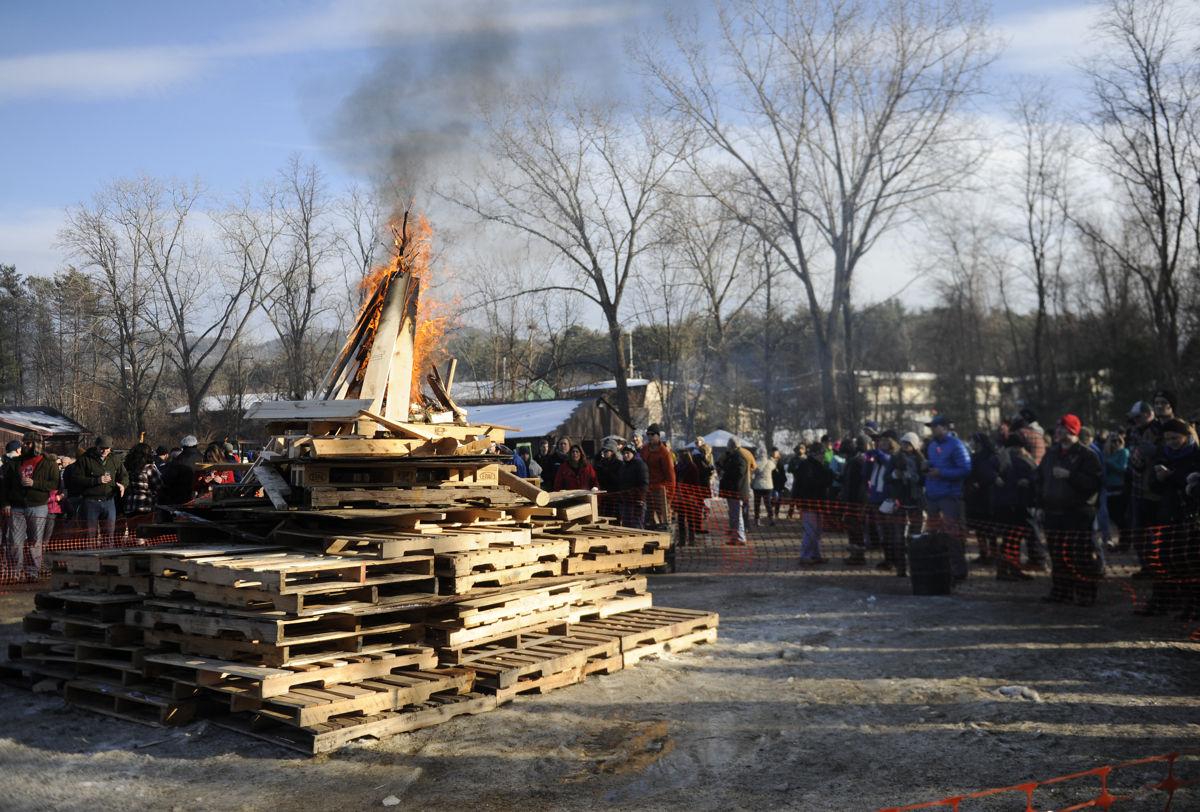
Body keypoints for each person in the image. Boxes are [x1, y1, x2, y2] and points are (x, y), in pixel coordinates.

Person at [1037, 414, 1103, 606]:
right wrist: (1040, 505)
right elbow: (1040, 480)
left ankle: (1086, 593)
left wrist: (1070, 475)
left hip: (1078, 513)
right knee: (1057, 555)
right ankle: (1061, 591)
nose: (1058, 431)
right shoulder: (1051, 454)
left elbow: (1094, 483)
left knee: (1080, 554)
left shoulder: (1087, 455)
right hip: (1053, 512)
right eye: (1058, 428)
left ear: (1073, 430)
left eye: (1063, 428)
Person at [1137, 417, 1200, 617]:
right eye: (1168, 439)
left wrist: (1171, 476)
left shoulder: (1196, 456)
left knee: (1189, 563)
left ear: (1186, 436)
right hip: (1167, 513)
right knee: (1163, 560)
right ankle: (1163, 601)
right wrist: (1158, 477)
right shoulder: (1163, 455)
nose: (1171, 442)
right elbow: (1153, 486)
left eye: (1175, 438)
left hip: (1190, 516)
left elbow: (1192, 485)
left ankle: (1193, 605)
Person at [3, 433, 59, 579]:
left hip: (38, 506)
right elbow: (4, 486)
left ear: (36, 444)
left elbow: (54, 484)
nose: (24, 446)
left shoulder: (48, 462)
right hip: (17, 506)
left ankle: (33, 572)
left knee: (35, 541)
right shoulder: (15, 462)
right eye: (24, 443)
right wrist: (6, 503)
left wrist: (35, 484)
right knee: (15, 541)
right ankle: (15, 573)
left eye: (28, 443)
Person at [923, 416, 972, 557]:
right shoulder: (932, 445)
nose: (932, 429)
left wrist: (941, 473)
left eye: (935, 426)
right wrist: (927, 466)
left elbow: (966, 469)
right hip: (932, 495)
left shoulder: (956, 445)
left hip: (949, 495)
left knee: (953, 533)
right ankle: (939, 566)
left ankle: (958, 569)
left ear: (944, 427)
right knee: (933, 532)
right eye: (931, 426)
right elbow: (936, 464)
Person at [992, 433, 1037, 581]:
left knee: (1009, 539)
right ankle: (1009, 569)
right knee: (1013, 539)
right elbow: (1035, 476)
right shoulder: (1021, 460)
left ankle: (1008, 569)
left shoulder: (1000, 459)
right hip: (1016, 504)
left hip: (1004, 504)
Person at [67, 435, 128, 541]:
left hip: (109, 500)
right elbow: (76, 479)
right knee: (90, 533)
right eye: (102, 448)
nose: (105, 451)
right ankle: (91, 554)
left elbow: (124, 475)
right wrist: (96, 480)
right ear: (96, 446)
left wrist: (123, 485)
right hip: (91, 501)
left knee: (109, 533)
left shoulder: (115, 459)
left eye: (107, 448)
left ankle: (107, 553)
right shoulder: (85, 459)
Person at [884, 432, 926, 577]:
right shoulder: (895, 459)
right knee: (898, 537)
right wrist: (895, 475)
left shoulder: (921, 460)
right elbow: (886, 477)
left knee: (916, 537)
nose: (904, 446)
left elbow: (925, 479)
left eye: (907, 443)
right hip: (899, 503)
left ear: (914, 446)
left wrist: (915, 477)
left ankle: (916, 567)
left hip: (916, 502)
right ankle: (901, 568)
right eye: (903, 443)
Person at [792, 442, 833, 564]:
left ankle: (815, 554)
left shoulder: (818, 465)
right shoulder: (807, 465)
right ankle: (805, 556)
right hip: (809, 502)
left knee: (817, 530)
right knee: (810, 530)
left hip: (817, 502)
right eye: (822, 453)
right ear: (816, 453)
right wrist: (826, 478)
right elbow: (809, 484)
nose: (823, 456)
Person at [965, 432, 1000, 564]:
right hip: (976, 496)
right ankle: (983, 553)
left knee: (989, 528)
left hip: (988, 495)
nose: (971, 443)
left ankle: (994, 554)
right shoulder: (974, 456)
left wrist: (980, 482)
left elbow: (992, 475)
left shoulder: (991, 457)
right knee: (979, 528)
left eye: (973, 440)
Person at [840, 435, 871, 565]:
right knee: (853, 528)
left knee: (855, 528)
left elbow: (855, 483)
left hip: (856, 500)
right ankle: (855, 554)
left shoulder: (856, 461)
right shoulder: (856, 460)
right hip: (855, 499)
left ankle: (858, 555)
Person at [640, 425, 676, 530]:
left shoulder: (664, 453)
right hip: (647, 489)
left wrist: (669, 495)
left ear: (658, 436)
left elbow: (670, 475)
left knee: (662, 520)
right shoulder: (645, 449)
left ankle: (667, 542)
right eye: (648, 434)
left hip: (660, 490)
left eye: (652, 434)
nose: (650, 437)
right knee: (649, 519)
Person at [718, 438, 750, 545]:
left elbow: (739, 473)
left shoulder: (739, 457)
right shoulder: (733, 456)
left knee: (737, 515)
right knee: (734, 514)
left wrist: (727, 474)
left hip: (736, 490)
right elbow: (723, 465)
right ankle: (736, 537)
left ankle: (740, 537)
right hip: (734, 490)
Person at [1101, 432, 1130, 551]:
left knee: (1120, 518)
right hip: (1108, 489)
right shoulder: (1107, 454)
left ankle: (1125, 543)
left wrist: (1108, 462)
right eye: (1113, 441)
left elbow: (1122, 469)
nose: (1116, 443)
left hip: (1120, 488)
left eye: (1119, 440)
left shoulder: (1124, 452)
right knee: (1112, 517)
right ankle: (1119, 542)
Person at [159, 435, 203, 506]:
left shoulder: (178, 460)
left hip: (181, 496)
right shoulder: (203, 457)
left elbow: (167, 479)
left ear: (183, 446)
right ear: (196, 445)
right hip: (200, 494)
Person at [124, 442, 163, 517]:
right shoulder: (149, 468)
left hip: (129, 504)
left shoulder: (127, 466)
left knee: (132, 527)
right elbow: (159, 486)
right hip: (145, 505)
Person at [614, 445, 648, 529]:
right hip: (625, 501)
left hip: (637, 501)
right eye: (624, 453)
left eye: (628, 453)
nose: (625, 455)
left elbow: (644, 483)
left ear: (633, 454)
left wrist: (641, 499)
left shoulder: (640, 464)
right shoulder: (623, 466)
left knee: (637, 526)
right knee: (626, 526)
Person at [750, 446, 775, 527]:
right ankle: (771, 519)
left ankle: (757, 520)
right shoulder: (770, 462)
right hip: (768, 486)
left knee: (757, 503)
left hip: (757, 486)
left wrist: (751, 483)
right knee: (768, 503)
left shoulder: (755, 462)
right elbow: (774, 467)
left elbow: (752, 474)